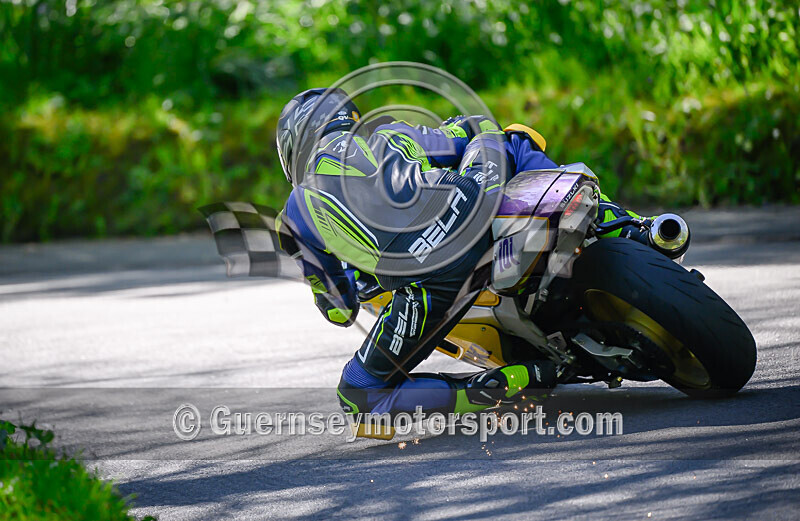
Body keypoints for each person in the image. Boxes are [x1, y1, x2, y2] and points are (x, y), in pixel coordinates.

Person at [274, 88, 648, 437]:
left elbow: (341, 311)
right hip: (473, 209)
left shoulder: (294, 212)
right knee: (508, 137)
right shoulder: (392, 135)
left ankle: (518, 379)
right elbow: (470, 128)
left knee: (359, 395)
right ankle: (626, 226)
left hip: (432, 281)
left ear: (293, 148)